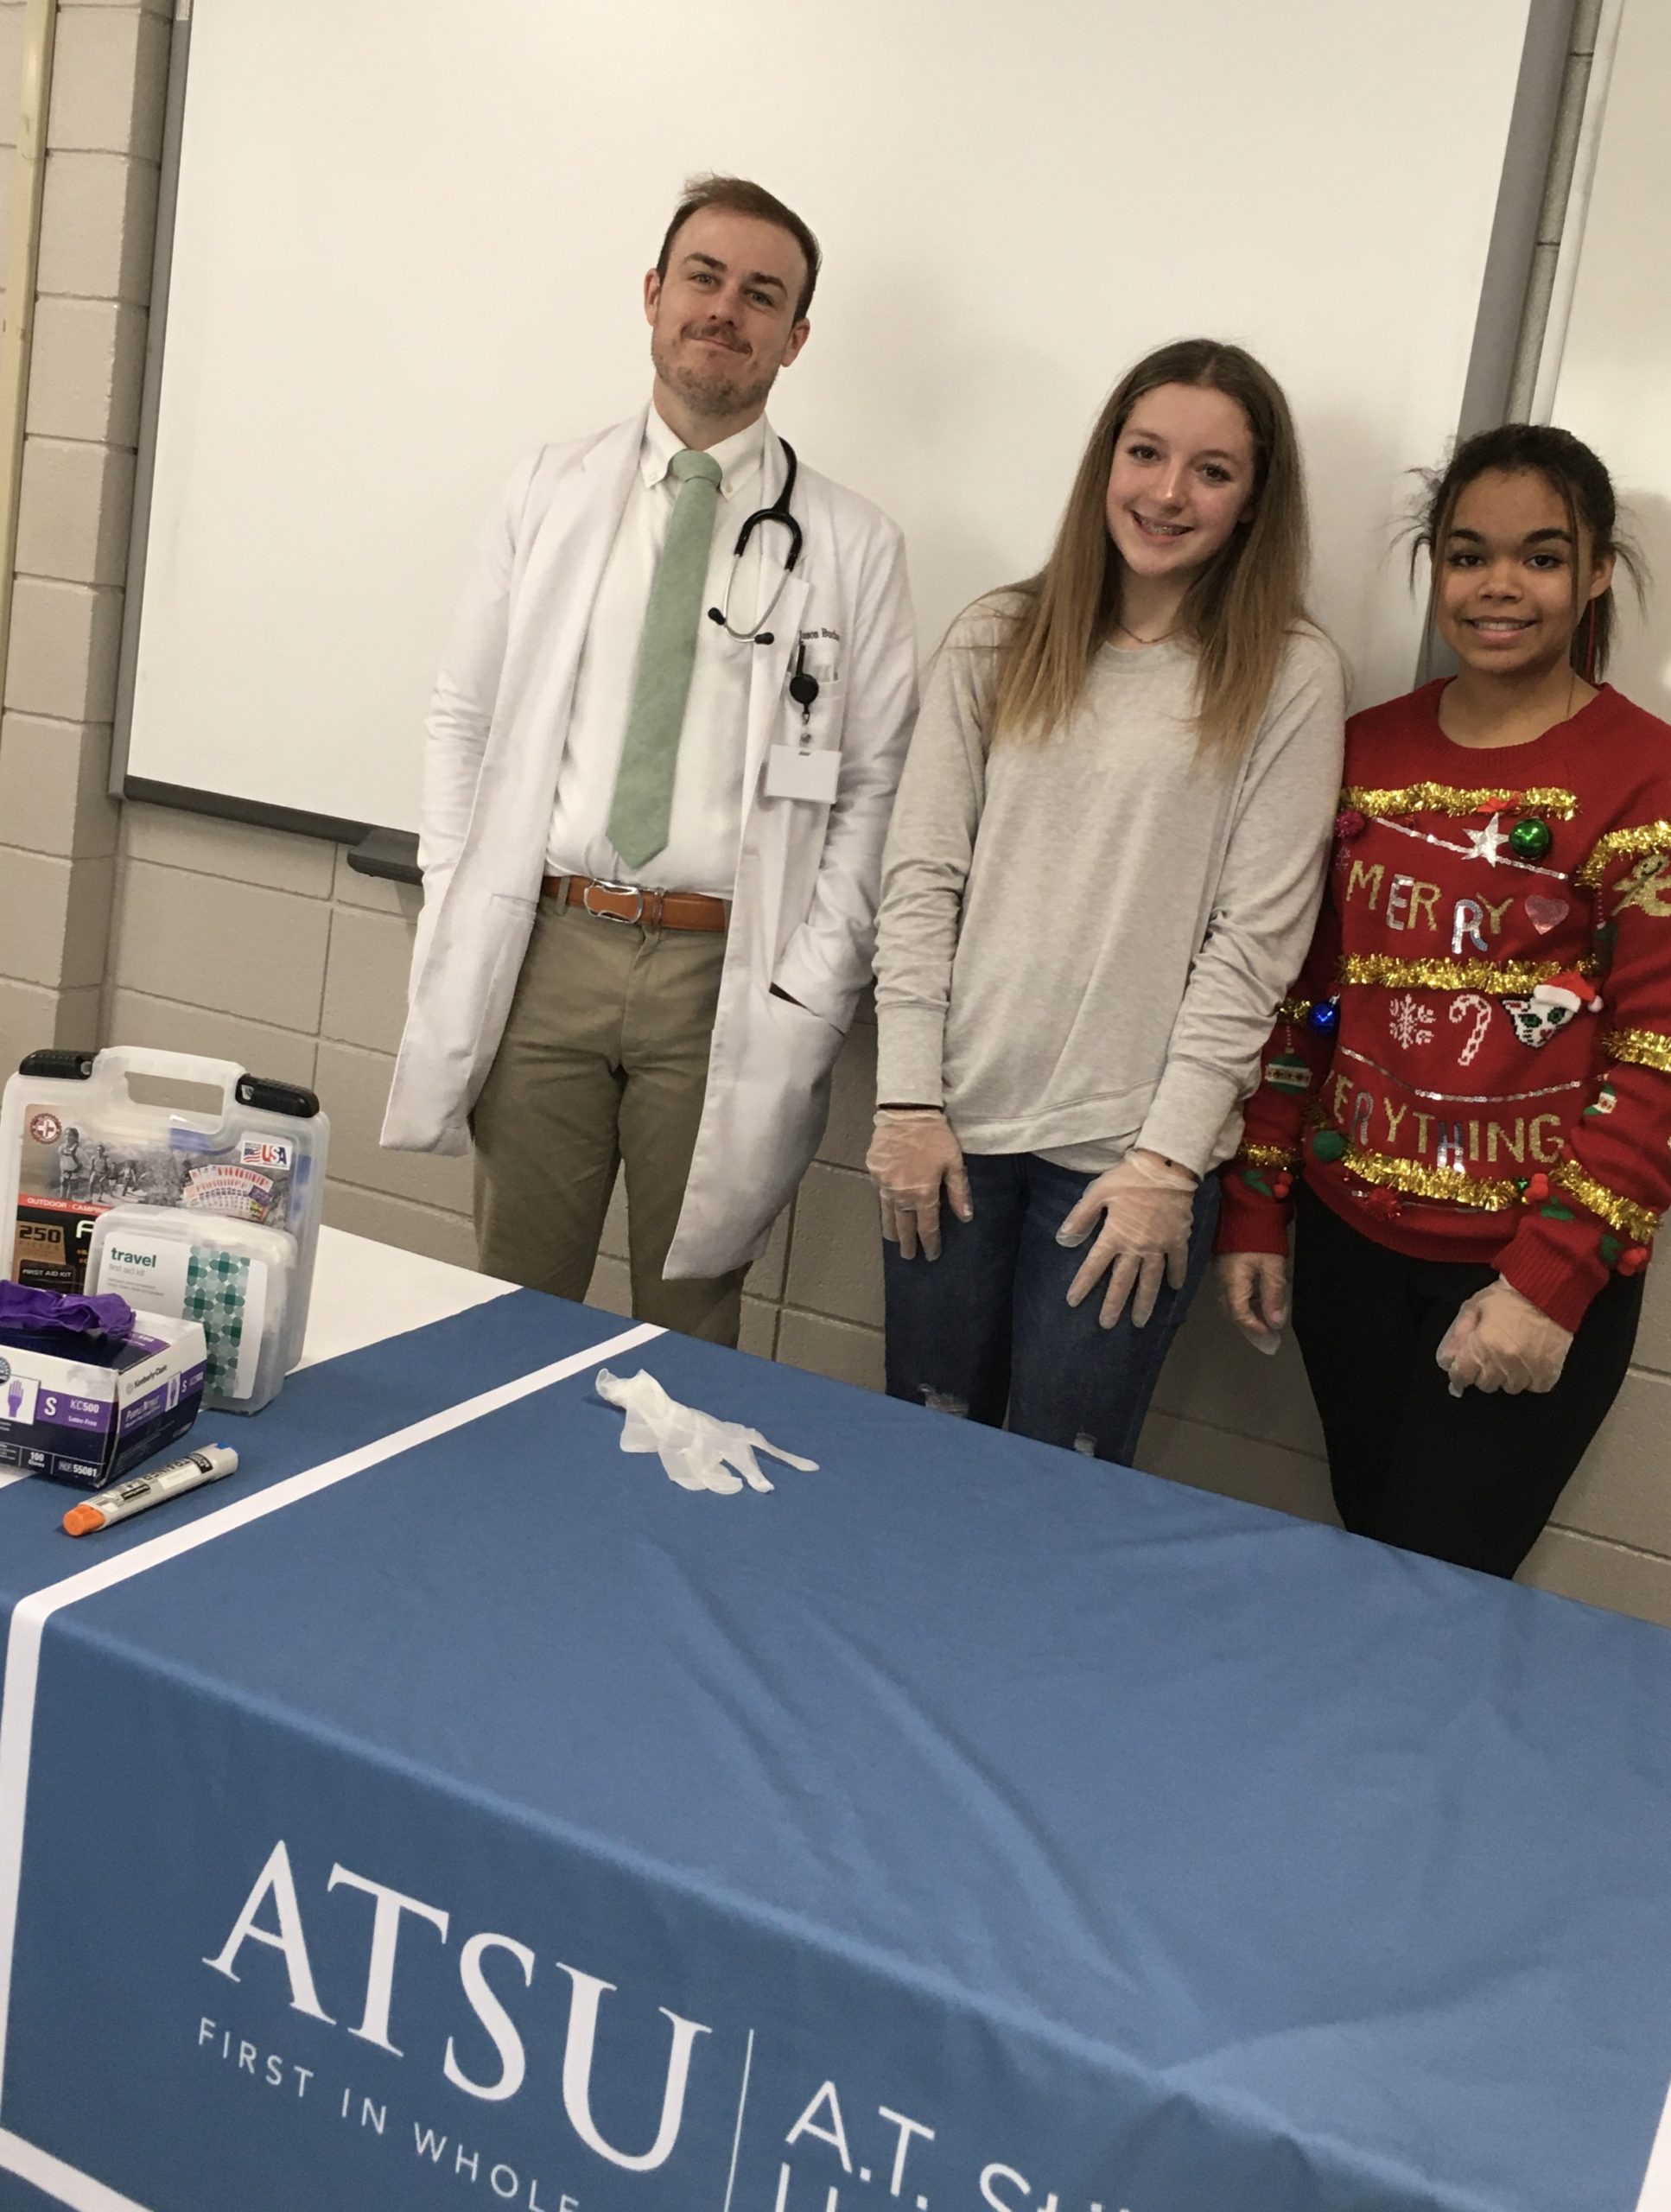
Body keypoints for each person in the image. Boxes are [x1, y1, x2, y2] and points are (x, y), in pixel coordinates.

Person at [382, 175, 917, 1344]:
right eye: (704, 278)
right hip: (550, 951)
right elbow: (461, 713)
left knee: (687, 1329)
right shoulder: (545, 489)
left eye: (761, 294)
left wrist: (812, 979)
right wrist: (450, 890)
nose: (725, 310)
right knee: (514, 1305)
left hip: (721, 971)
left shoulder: (852, 544)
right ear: (653, 295)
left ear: (795, 335)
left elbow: (872, 784)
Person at [867, 338, 1344, 1463]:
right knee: (917, 1454)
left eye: (1211, 470)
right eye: (1145, 453)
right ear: (1105, 463)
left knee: (1056, 1486)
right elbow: (920, 879)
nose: (1167, 493)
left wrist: (1168, 1167)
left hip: (1120, 1170)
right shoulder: (997, 636)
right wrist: (900, 1103)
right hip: (948, 1134)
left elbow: (1254, 948)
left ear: (1252, 500)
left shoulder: (1288, 674)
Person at [1216, 423, 1666, 1578]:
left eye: (1539, 556)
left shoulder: (1645, 774)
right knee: (1374, 1565)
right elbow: (1303, 999)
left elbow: (1655, 1058)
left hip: (1524, 1267)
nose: (1497, 587)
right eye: (1466, 555)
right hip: (1351, 1255)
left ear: (1598, 570)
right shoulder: (1359, 749)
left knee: (1435, 1593)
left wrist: (1545, 1281)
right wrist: (1258, 1205)